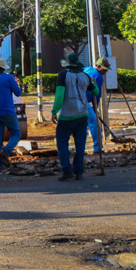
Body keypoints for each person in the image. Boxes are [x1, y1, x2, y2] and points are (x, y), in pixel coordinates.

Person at [51, 53, 98, 181]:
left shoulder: (63, 75)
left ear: (67, 65)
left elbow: (59, 95)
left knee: (62, 143)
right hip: (82, 114)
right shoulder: (86, 76)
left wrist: (54, 111)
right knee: (80, 144)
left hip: (66, 116)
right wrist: (94, 83)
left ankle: (67, 170)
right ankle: (79, 172)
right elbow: (95, 92)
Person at [83, 57, 111, 154]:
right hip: (84, 102)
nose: (106, 71)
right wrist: (95, 109)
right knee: (94, 124)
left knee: (82, 126)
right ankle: (97, 148)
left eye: (107, 69)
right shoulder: (98, 76)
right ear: (98, 66)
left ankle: (81, 150)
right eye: (104, 69)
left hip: (76, 101)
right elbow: (97, 93)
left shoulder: (87, 68)